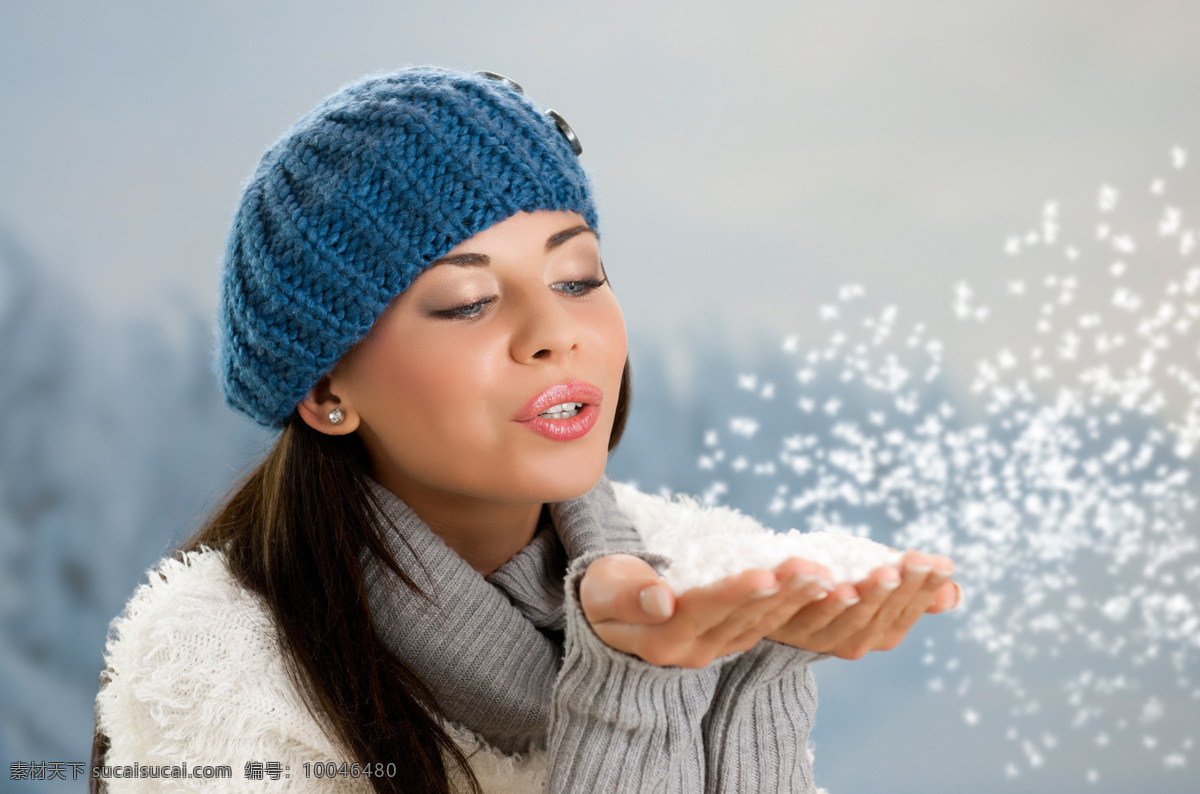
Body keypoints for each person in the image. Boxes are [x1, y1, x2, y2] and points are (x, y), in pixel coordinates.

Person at [91, 67, 960, 793]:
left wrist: (748, 677)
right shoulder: (216, 668)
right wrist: (630, 684)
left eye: (578, 277)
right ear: (326, 392)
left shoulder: (700, 566)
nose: (555, 332)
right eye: (467, 301)